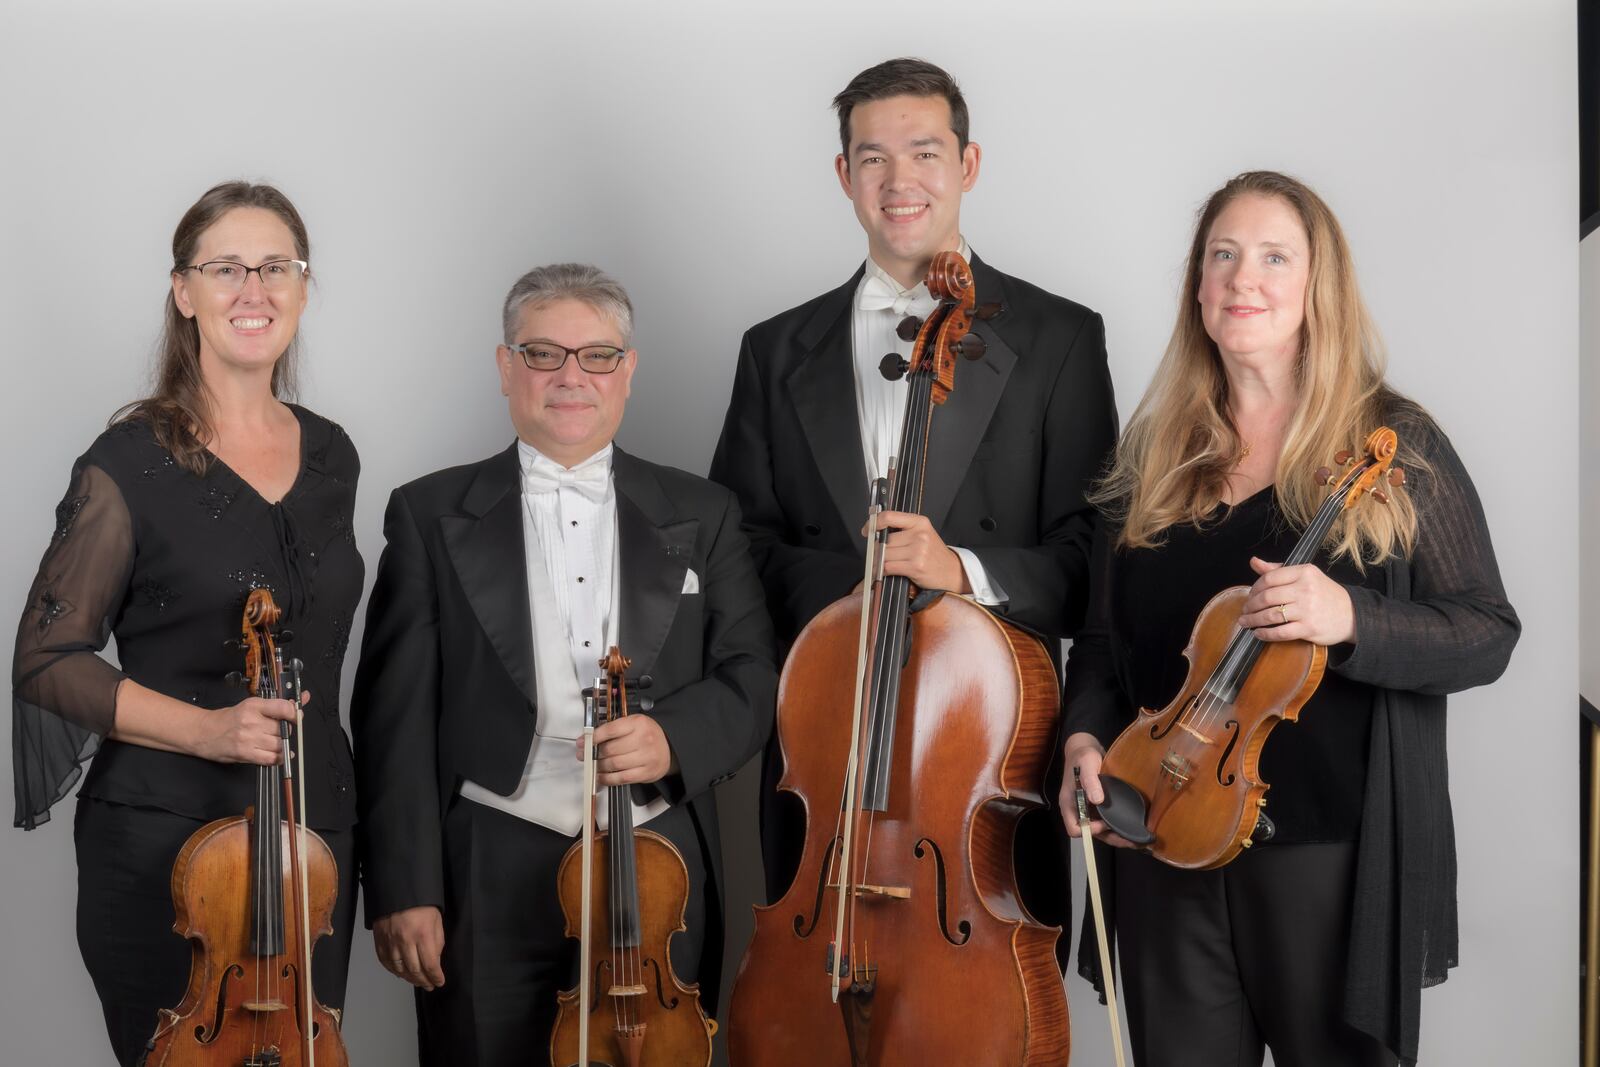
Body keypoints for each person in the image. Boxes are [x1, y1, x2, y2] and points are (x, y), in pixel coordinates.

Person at [1062, 170, 1520, 1067]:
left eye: (1274, 256)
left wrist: (1350, 614)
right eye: (1222, 255)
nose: (1244, 278)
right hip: (1166, 834)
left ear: (1320, 287)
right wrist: (1084, 740)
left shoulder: (1396, 443)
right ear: (1198, 288)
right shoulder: (1156, 455)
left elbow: (1487, 629)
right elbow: (1107, 643)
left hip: (1333, 858)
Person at [709, 57, 1117, 942]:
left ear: (968, 165)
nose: (900, 183)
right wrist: (857, 586)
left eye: (925, 153)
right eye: (872, 158)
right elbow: (732, 554)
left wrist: (959, 570)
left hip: (987, 755)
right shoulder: (774, 351)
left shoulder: (1060, 339)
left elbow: (1094, 561)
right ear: (843, 176)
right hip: (825, 750)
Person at [353, 262, 776, 1065]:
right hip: (490, 856)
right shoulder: (428, 512)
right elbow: (392, 721)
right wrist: (406, 886)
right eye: (544, 354)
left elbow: (754, 674)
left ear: (629, 368)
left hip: (658, 862)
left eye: (597, 355)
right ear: (507, 367)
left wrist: (672, 739)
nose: (571, 377)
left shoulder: (707, 511)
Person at [10, 181, 363, 1067]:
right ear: (184, 292)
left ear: (304, 288)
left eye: (275, 266)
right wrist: (209, 730)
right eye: (226, 269)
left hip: (311, 847)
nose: (255, 291)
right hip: (165, 847)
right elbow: (48, 658)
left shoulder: (332, 455)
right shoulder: (129, 460)